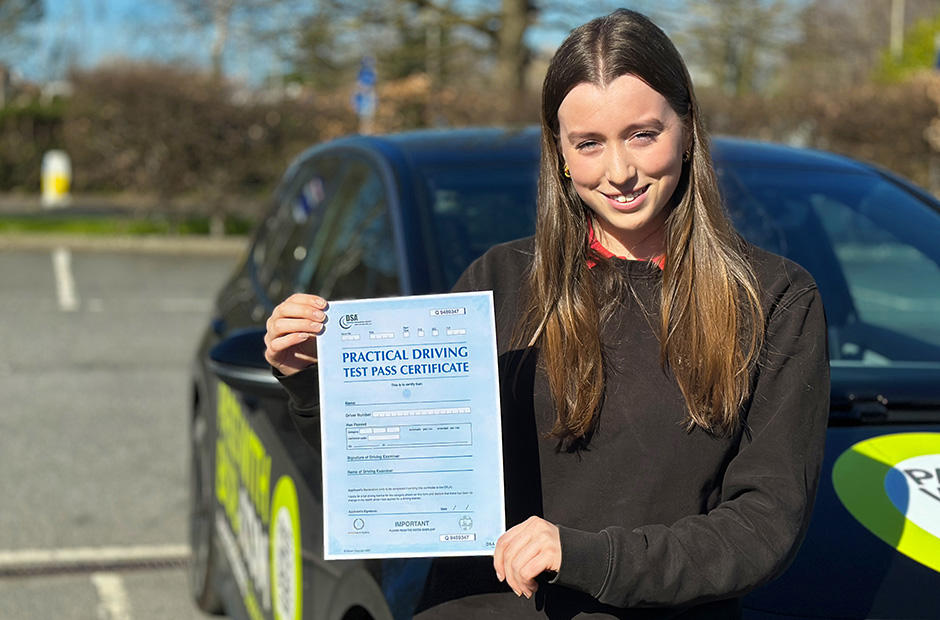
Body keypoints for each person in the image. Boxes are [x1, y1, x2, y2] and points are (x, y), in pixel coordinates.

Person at [264, 8, 829, 619]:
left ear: (688, 128)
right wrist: (314, 382)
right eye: (588, 143)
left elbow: (762, 527)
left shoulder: (774, 300)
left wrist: (586, 556)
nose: (620, 172)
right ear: (559, 152)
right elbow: (403, 477)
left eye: (643, 134)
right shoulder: (497, 284)